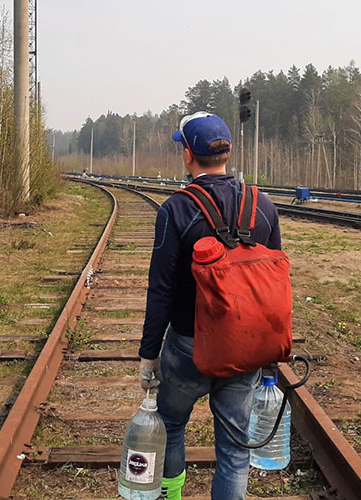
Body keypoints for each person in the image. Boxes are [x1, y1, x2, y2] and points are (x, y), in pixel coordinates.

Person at [138, 111, 282, 500]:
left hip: (189, 347)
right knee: (234, 449)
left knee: (170, 423)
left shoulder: (176, 210)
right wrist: (270, 354)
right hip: (245, 348)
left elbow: (161, 290)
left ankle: (171, 495)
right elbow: (274, 286)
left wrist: (149, 354)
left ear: (188, 154)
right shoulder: (262, 205)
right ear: (226, 152)